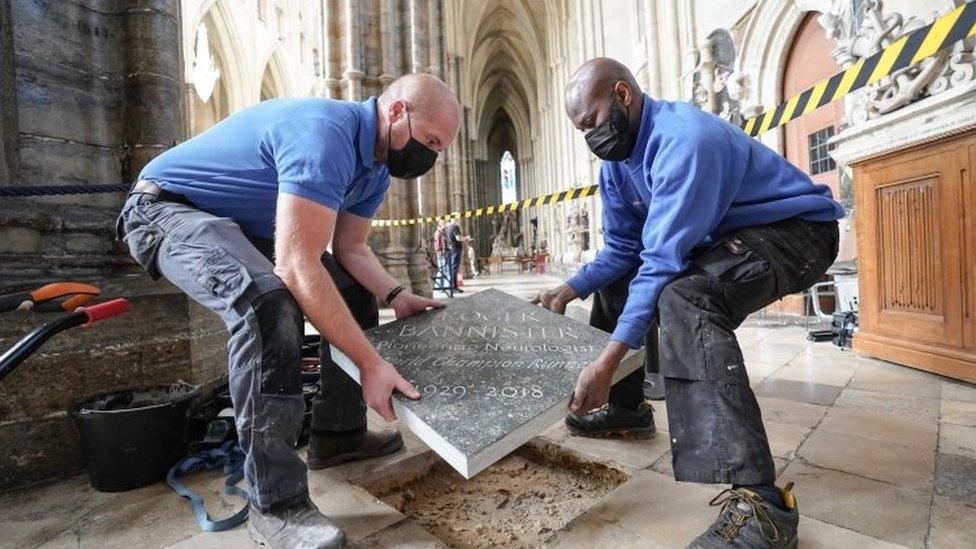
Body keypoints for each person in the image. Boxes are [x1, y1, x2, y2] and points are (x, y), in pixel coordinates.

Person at [116, 74, 461, 549]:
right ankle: (276, 504)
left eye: (440, 149)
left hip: (244, 227)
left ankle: (337, 435)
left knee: (354, 291)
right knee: (266, 306)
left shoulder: (375, 167)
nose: (431, 157)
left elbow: (351, 249)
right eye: (431, 142)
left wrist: (395, 294)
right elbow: (296, 264)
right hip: (168, 210)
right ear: (398, 111)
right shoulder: (325, 133)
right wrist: (370, 363)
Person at [534, 58, 842, 548]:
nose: (590, 136)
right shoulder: (616, 165)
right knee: (621, 278)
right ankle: (626, 406)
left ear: (623, 95)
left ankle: (763, 507)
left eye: (591, 122)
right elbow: (622, 250)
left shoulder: (684, 140)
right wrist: (569, 288)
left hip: (797, 234)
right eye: (580, 130)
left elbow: (661, 260)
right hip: (736, 236)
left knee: (686, 296)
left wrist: (608, 357)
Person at [445, 218, 464, 293]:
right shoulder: (455, 227)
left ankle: (452, 286)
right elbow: (458, 238)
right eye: (456, 219)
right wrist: (466, 238)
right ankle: (454, 287)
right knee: (454, 268)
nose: (458, 220)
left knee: (452, 268)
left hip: (451, 249)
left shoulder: (448, 228)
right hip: (456, 249)